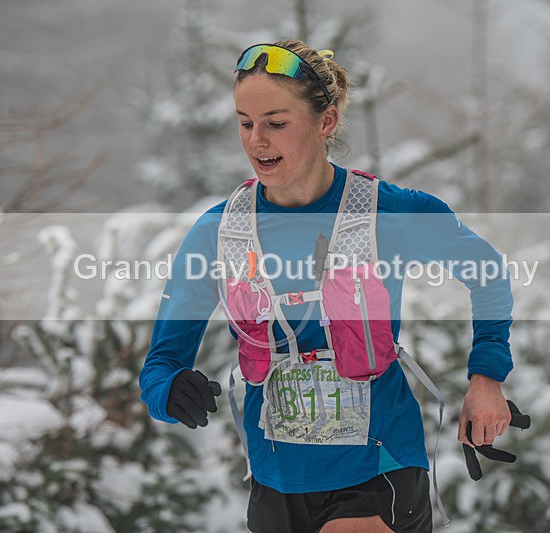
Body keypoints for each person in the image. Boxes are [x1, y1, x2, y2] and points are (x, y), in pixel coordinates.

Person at [139, 39, 515, 533]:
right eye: (245, 123)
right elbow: (160, 365)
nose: (257, 141)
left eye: (276, 123)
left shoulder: (391, 211)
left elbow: (488, 274)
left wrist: (487, 379)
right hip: (276, 479)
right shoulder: (219, 231)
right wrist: (170, 391)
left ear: (326, 122)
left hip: (377, 466)